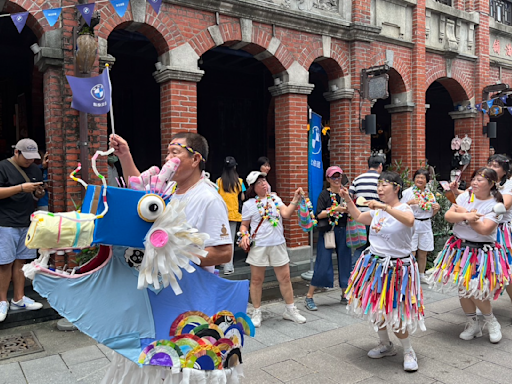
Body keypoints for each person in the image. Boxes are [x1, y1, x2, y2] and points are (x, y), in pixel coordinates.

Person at [110, 132, 232, 271]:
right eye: (167, 154)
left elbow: (224, 253)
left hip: (188, 286)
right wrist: (125, 155)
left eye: (174, 153)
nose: (168, 158)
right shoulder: (168, 188)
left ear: (195, 159)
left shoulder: (208, 199)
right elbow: (139, 190)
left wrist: (174, 255)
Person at [341, 171, 423, 372]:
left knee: (396, 311)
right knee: (377, 308)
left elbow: (409, 221)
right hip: (375, 266)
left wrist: (384, 206)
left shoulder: (404, 208)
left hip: (398, 269)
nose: (379, 189)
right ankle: (385, 344)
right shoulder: (377, 210)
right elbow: (359, 216)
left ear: (397, 188)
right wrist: (348, 200)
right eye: (378, 185)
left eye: (384, 185)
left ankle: (408, 350)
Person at [428, 167, 508, 344]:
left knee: (477, 289)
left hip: (482, 252)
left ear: (492, 183)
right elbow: (449, 215)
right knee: (463, 289)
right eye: (474, 179)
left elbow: (486, 229)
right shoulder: (466, 196)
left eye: (480, 180)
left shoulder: (496, 203)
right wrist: (468, 215)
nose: (474, 182)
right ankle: (472, 323)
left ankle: (491, 321)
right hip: (459, 249)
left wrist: (464, 216)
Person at [239, 171, 306, 327]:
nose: (263, 184)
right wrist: (243, 235)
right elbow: (244, 225)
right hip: (259, 246)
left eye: (264, 181)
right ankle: (256, 312)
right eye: (259, 183)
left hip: (277, 244)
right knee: (256, 280)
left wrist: (295, 200)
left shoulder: (275, 199)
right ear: (253, 188)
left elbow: (286, 213)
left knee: (285, 278)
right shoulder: (249, 205)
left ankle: (290, 310)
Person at [0, 139, 44, 322]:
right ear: (16, 152)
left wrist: (37, 193)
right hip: (6, 222)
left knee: (21, 261)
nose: (29, 162)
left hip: (27, 221)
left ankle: (18, 298)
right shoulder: (3, 167)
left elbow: (35, 192)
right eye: (26, 158)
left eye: (33, 158)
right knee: (5, 263)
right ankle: (2, 301)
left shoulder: (34, 168)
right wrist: (20, 188)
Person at [304, 166, 352, 311]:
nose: (337, 180)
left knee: (345, 262)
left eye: (339, 177)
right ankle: (309, 296)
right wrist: (334, 209)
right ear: (328, 179)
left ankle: (344, 294)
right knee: (322, 263)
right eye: (334, 177)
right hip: (328, 232)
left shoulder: (346, 193)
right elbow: (318, 214)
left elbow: (352, 210)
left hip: (343, 230)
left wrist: (348, 206)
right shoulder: (324, 195)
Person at [400, 169, 440, 283]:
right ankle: (410, 275)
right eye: (417, 177)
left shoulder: (430, 194)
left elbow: (431, 213)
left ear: (427, 180)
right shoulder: (407, 193)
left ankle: (421, 275)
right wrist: (409, 203)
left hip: (426, 224)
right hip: (412, 223)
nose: (419, 180)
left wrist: (436, 209)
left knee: (423, 251)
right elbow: (399, 208)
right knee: (411, 251)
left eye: (422, 178)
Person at [486, 155, 512, 314]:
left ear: (504, 171)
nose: (491, 167)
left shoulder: (509, 185)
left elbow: (504, 206)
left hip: (503, 232)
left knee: (508, 271)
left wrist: (481, 209)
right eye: (489, 164)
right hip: (486, 229)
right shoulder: (485, 182)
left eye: (495, 165)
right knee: (485, 268)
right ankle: (483, 304)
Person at [349, 154, 386, 266]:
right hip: (377, 219)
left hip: (360, 219)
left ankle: (354, 271)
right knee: (376, 248)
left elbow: (349, 198)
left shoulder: (357, 179)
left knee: (360, 248)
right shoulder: (382, 182)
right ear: (380, 166)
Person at [216, 156, 246, 275]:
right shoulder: (239, 181)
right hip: (233, 214)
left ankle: (221, 262)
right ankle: (228, 266)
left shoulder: (219, 181)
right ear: (234, 167)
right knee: (230, 240)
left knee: (220, 239)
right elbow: (242, 197)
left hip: (220, 215)